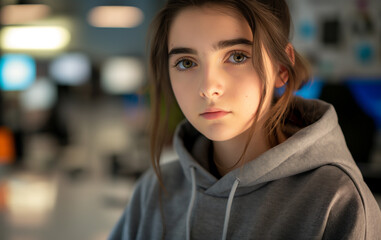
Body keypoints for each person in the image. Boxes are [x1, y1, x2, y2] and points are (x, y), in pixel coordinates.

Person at [109, 0, 381, 239]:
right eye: (186, 62)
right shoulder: (154, 193)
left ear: (281, 68)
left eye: (237, 57)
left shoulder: (336, 200)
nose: (208, 87)